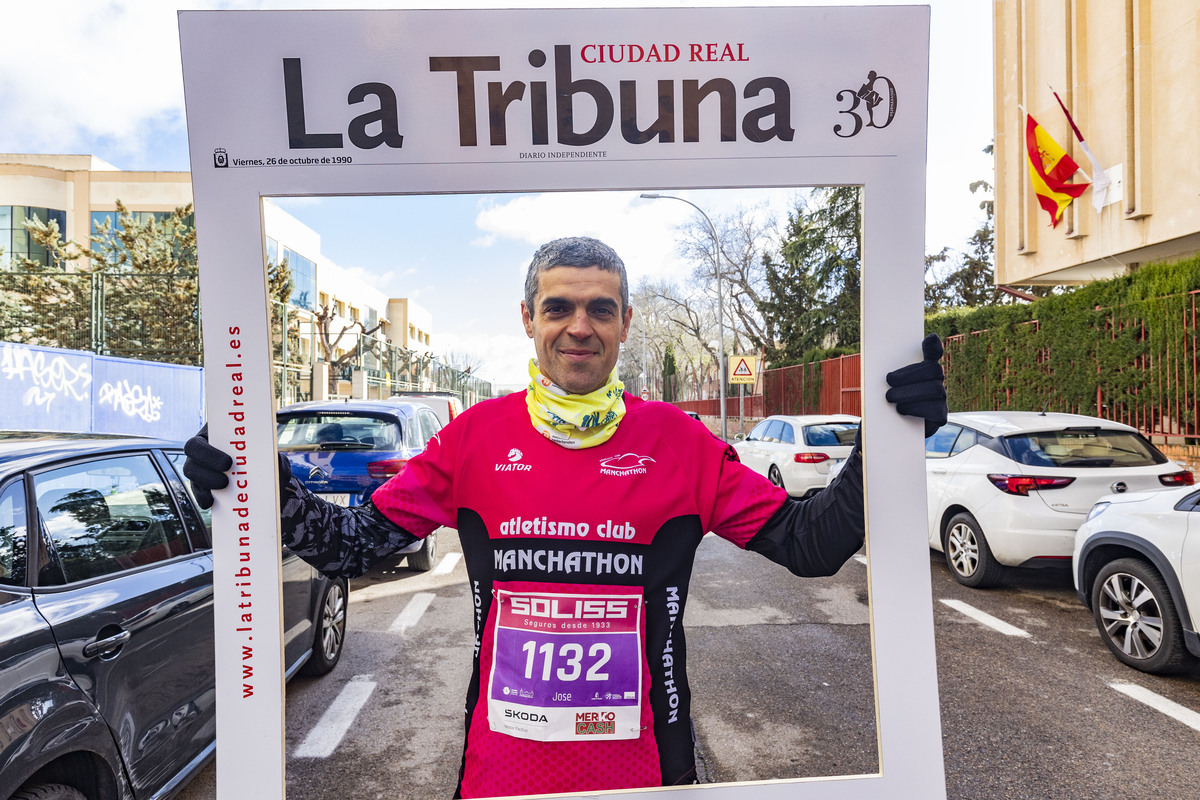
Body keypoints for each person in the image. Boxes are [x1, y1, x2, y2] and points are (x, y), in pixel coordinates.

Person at [185, 236, 947, 799]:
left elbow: (811, 546)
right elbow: (349, 547)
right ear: (528, 318)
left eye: (600, 309)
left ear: (623, 323)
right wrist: (256, 479)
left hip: (650, 772)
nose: (579, 326)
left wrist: (884, 437)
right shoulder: (475, 439)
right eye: (559, 307)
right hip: (498, 777)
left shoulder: (679, 443)